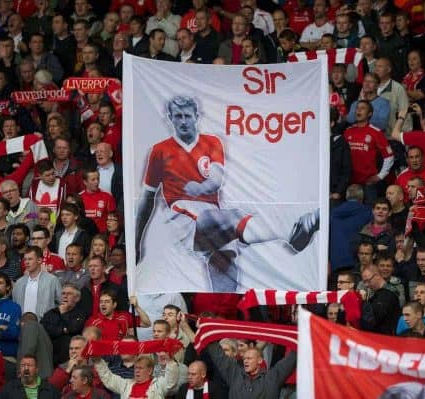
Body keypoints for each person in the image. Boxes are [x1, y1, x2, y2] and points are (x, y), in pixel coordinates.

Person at [136, 96, 319, 292]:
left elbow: (216, 179)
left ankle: (224, 316)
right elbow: (146, 200)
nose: (183, 121)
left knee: (225, 275)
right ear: (170, 117)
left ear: (196, 117)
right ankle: (290, 231)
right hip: (182, 216)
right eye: (178, 116)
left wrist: (201, 187)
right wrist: (136, 243)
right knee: (216, 217)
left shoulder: (212, 142)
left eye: (187, 116)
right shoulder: (159, 151)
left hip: (216, 220)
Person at [205, 342, 296, 399]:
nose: (245, 361)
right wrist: (206, 330)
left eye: (249, 358)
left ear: (260, 360)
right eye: (244, 359)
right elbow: (219, 357)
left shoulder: (272, 378)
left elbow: (291, 360)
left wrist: (304, 336)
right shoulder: (235, 375)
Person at [40, 283, 88, 366]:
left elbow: (74, 329)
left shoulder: (81, 313)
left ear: (77, 298)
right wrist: (63, 330)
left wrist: (63, 314)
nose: (65, 296)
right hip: (50, 353)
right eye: (63, 293)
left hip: (69, 356)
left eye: (69, 294)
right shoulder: (51, 313)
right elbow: (43, 329)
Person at [92, 355, 179, 398]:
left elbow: (171, 381)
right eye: (136, 368)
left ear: (150, 371)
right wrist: (97, 360)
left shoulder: (158, 385)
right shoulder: (126, 384)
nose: (137, 370)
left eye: (140, 368)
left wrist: (170, 361)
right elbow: (108, 378)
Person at [12, 246, 62, 320]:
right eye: (25, 259)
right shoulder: (19, 283)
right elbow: (15, 306)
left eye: (30, 259)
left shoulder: (52, 280)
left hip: (45, 326)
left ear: (39, 260)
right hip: (23, 326)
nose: (26, 262)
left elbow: (61, 303)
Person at [360, 264, 401, 335]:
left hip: (385, 340)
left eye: (368, 280)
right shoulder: (377, 294)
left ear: (377, 276)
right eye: (364, 282)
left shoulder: (387, 295)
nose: (366, 285)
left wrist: (364, 302)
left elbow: (371, 321)